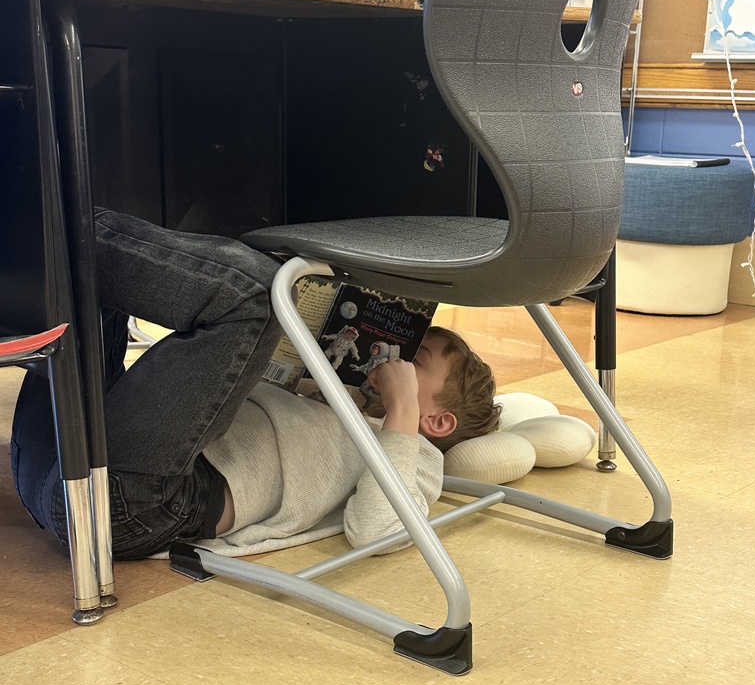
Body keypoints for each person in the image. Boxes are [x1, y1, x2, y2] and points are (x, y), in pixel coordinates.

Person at [11, 210, 500, 561]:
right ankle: (53, 226)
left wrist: (401, 411)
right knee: (92, 292)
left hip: (142, 502)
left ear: (437, 419)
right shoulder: (345, 402)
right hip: (63, 472)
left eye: (418, 359)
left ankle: (44, 222)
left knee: (254, 296)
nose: (400, 356)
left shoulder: (419, 458)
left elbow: (377, 530)